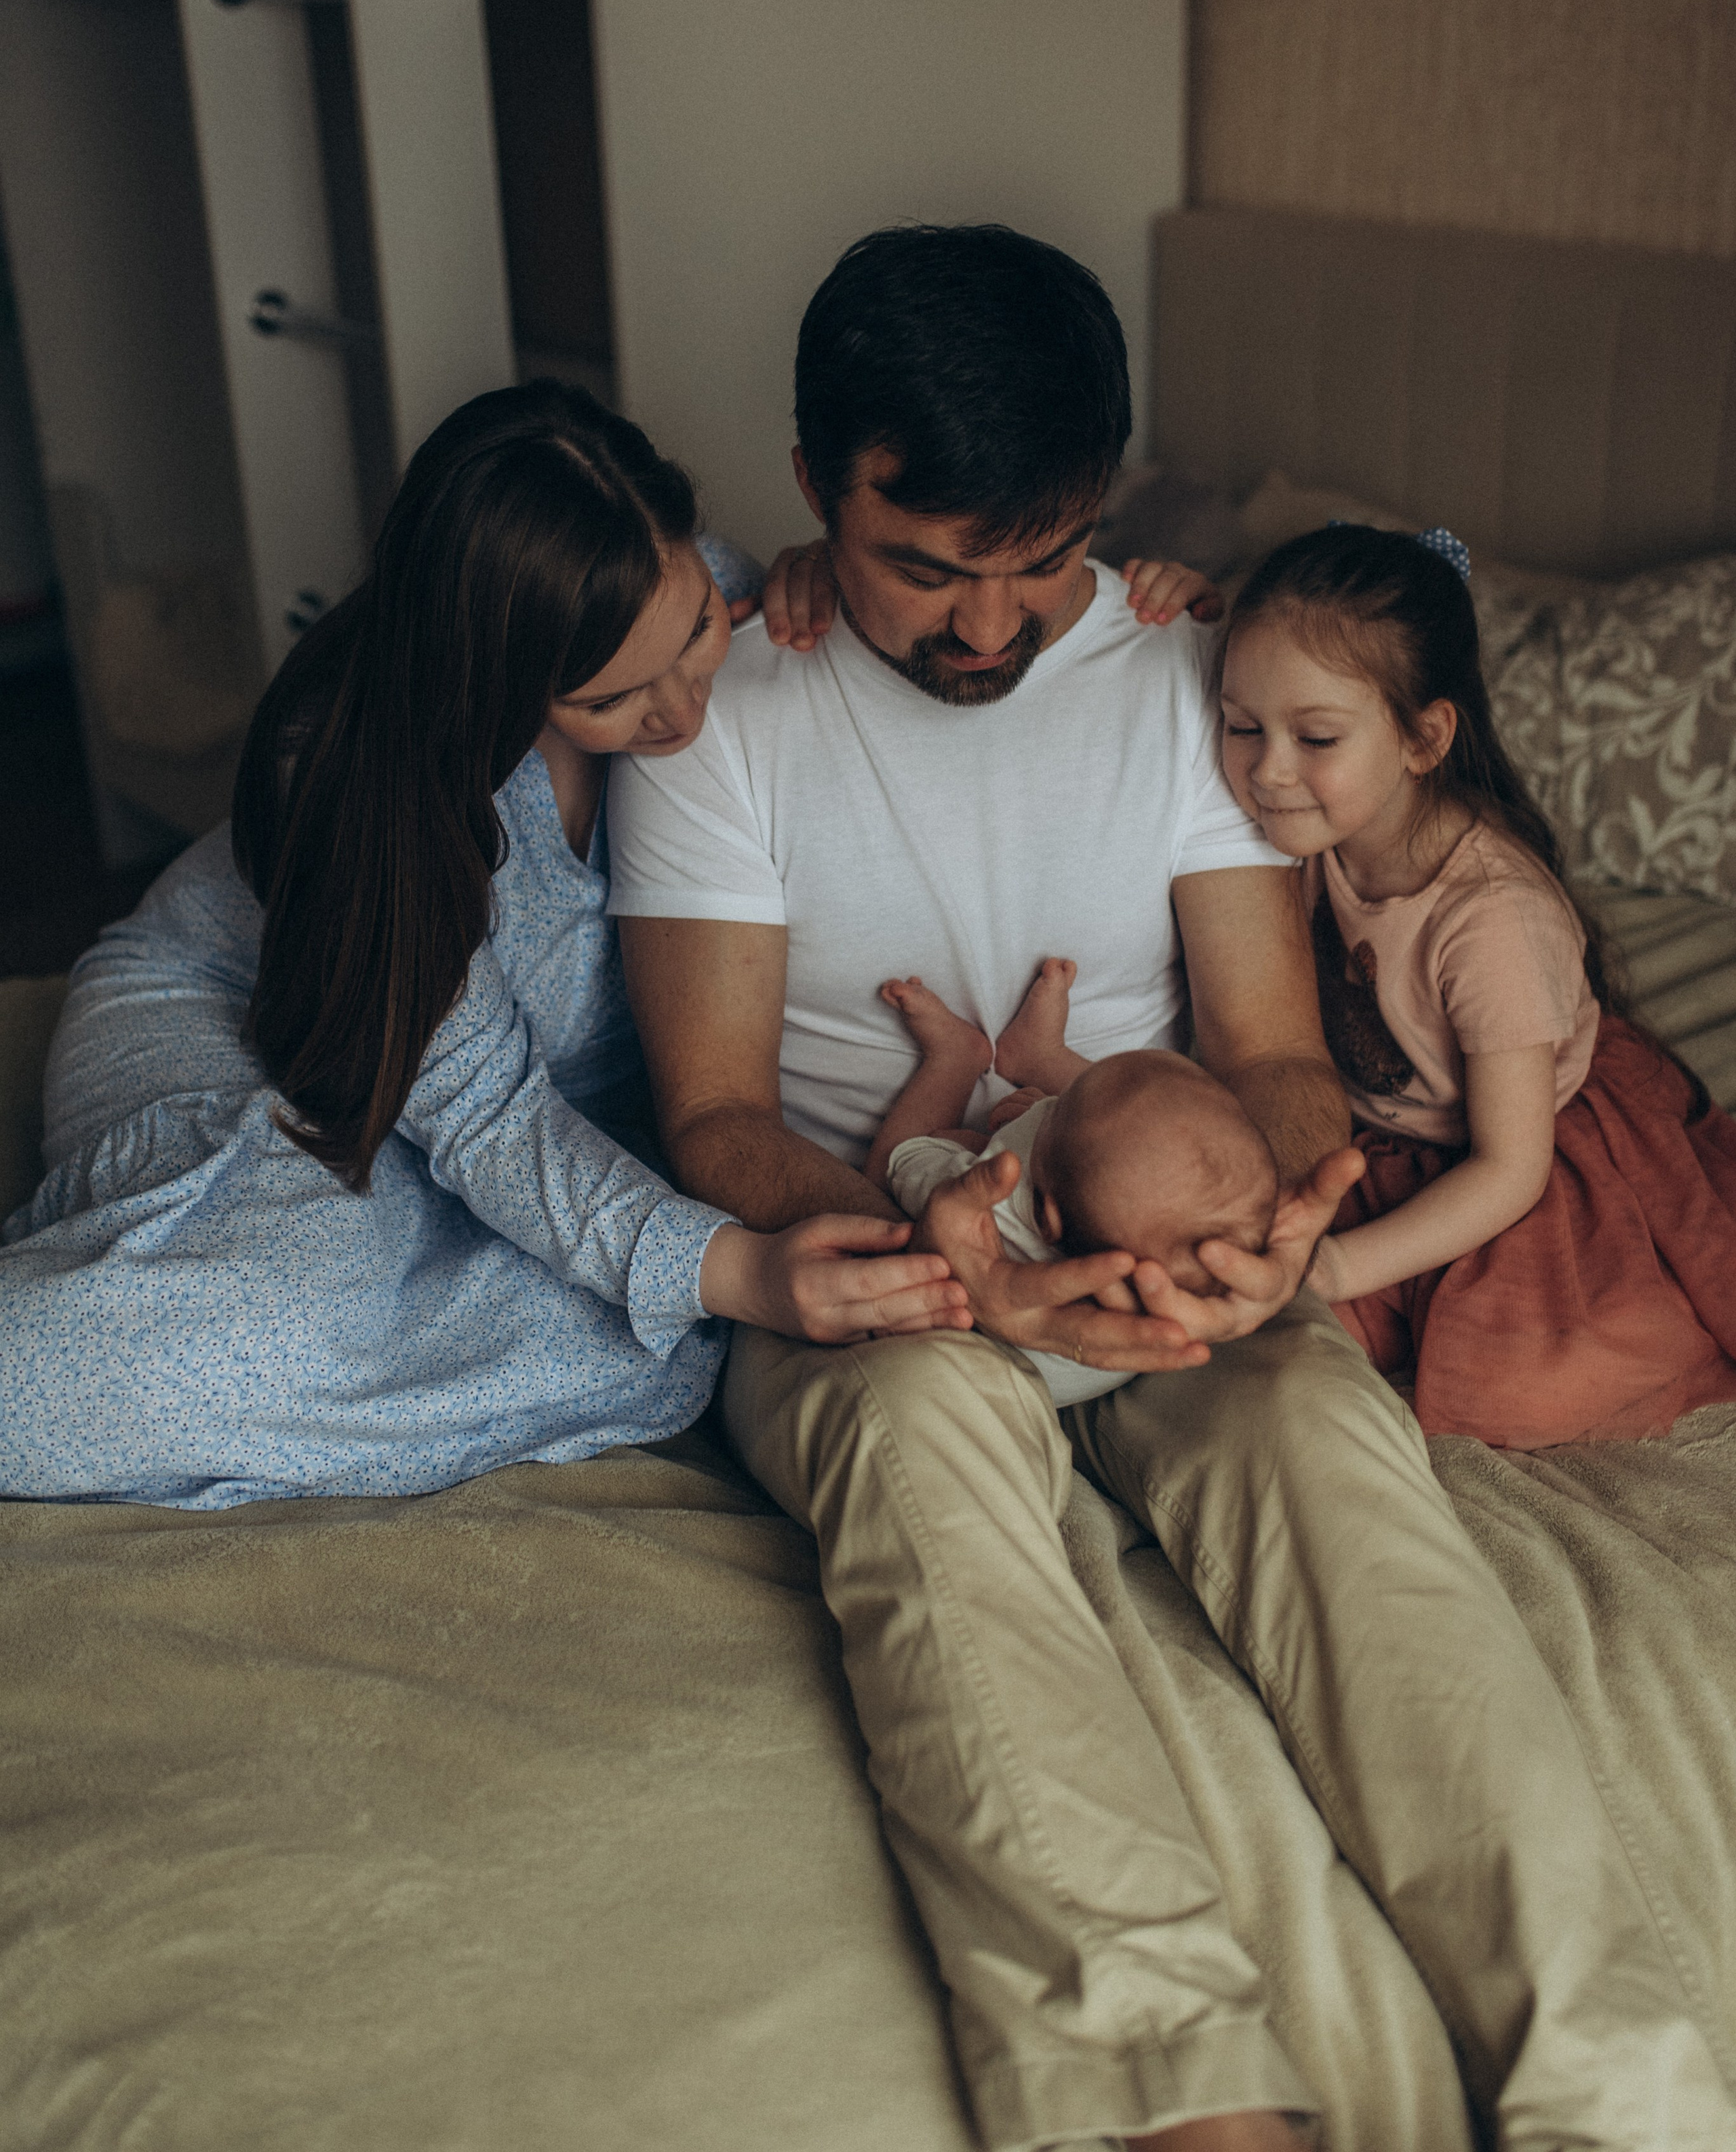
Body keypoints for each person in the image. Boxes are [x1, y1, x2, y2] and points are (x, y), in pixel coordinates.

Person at [608, 223, 1731, 2152]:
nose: (990, 625)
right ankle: (1178, 2096)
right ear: (817, 494)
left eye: (1041, 557)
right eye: (925, 571)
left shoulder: (1188, 672)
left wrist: (1282, 1223)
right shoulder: (737, 711)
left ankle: (1619, 2097)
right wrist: (947, 1255)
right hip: (874, 1243)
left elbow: (1279, 1046)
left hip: (1169, 1231)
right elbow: (710, 1118)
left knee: (1338, 1481)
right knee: (931, 1476)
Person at [0, 384, 967, 1508]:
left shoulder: (732, 586)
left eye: (696, 631)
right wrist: (737, 1272)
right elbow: (484, 1118)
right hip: (244, 1020)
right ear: (499, 680)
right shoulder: (360, 780)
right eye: (611, 700)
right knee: (312, 1297)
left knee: (624, 1288)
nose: (681, 715)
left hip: (514, 1101)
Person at [1219, 520, 1736, 1446]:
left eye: (1317, 735)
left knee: (1521, 1389)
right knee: (1255, 1329)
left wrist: (1336, 1264)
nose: (1268, 770)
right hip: (1381, 1139)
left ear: (1424, 737)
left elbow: (1510, 1167)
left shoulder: (1492, 918)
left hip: (1524, 1152)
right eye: (1243, 725)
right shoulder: (1303, 834)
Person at [869, 961, 1278, 1411]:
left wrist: (958, 1150)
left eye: (1051, 1111)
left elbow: (907, 1169)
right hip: (1095, 1371)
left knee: (894, 1161)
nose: (1046, 1107)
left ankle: (953, 1058)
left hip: (999, 1368)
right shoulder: (1188, 1281)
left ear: (1047, 1217)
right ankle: (1040, 1055)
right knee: (1134, 1119)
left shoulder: (997, 1218)